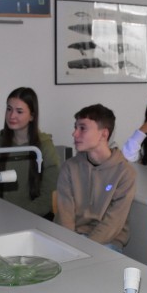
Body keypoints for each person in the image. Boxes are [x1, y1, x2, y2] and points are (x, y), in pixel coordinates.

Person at [56, 104, 136, 251]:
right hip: (73, 237)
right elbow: (65, 216)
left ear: (104, 134)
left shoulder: (125, 173)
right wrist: (69, 247)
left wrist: (85, 249)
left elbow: (113, 223)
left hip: (107, 241)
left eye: (82, 128)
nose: (74, 134)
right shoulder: (69, 167)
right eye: (75, 127)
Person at [0, 87, 59, 219]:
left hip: (35, 218)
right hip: (2, 216)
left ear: (32, 116)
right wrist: (1, 214)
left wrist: (20, 216)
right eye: (9, 109)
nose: (12, 116)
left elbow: (49, 195)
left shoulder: (45, 147)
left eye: (19, 111)